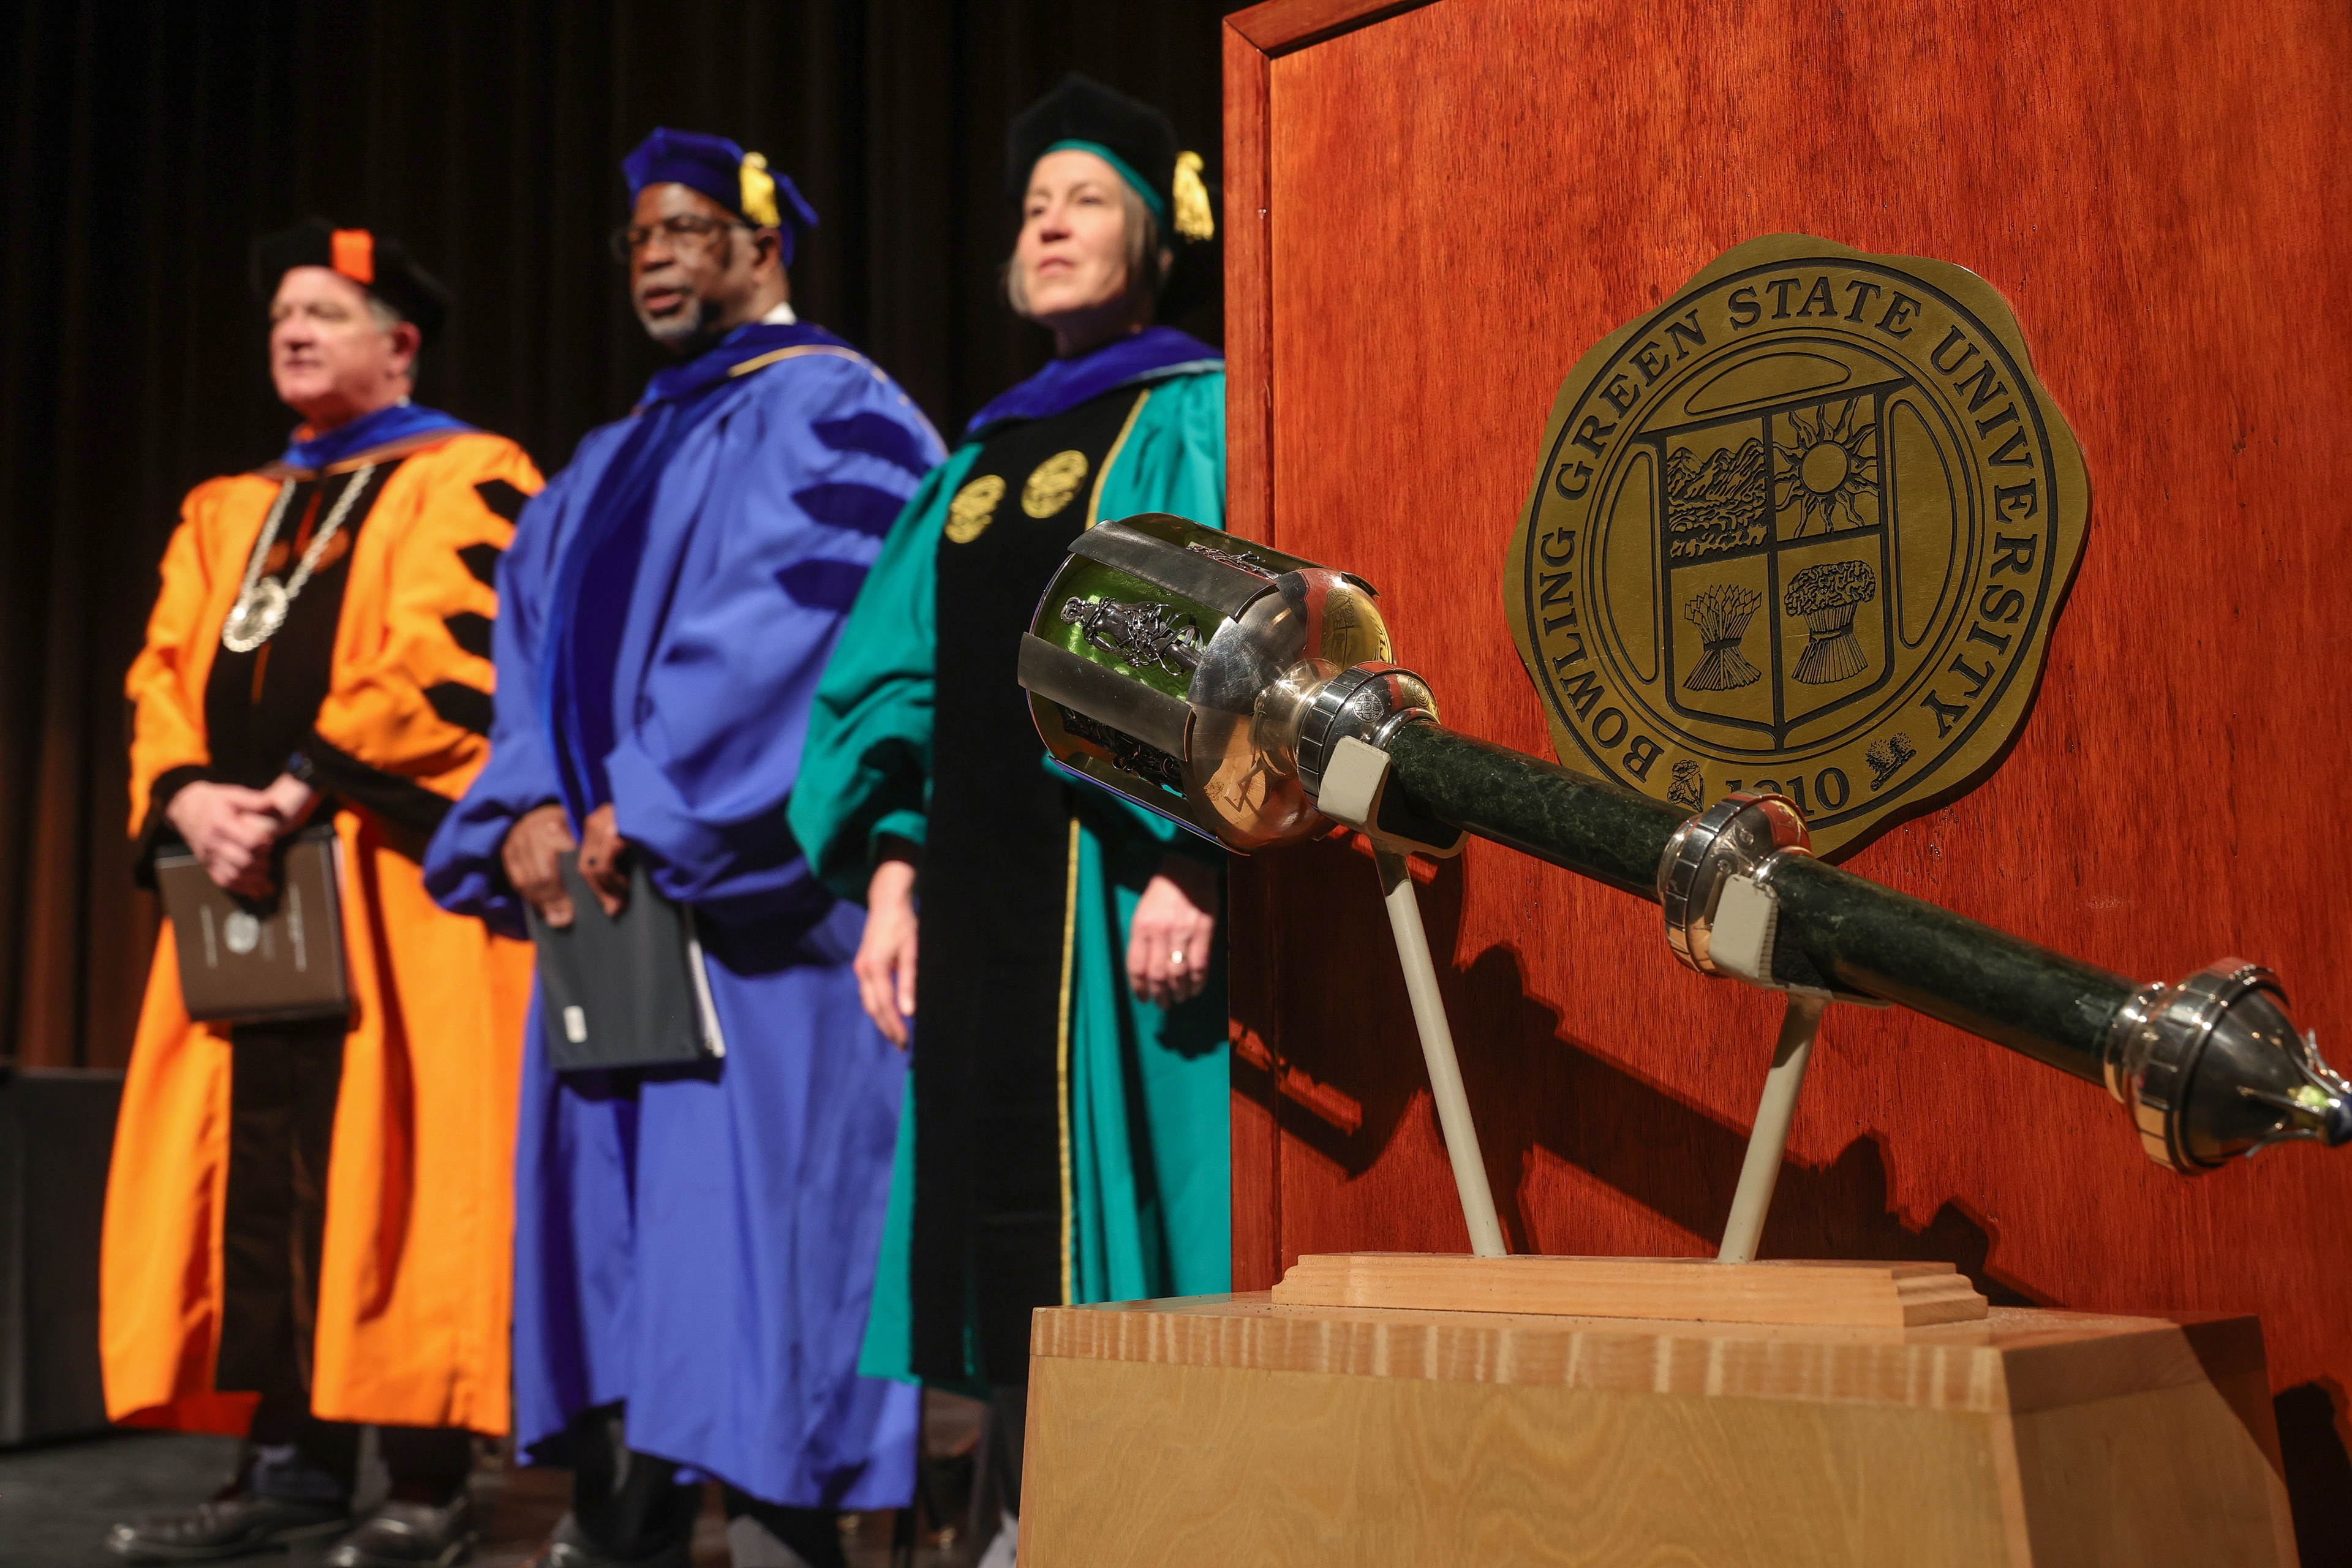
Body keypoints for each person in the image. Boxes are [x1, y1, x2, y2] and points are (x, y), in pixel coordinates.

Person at [422, 129, 940, 1568]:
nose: (654, 253)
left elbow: (797, 624)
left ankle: (787, 1529)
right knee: (616, 1241)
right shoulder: (605, 453)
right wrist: (527, 803)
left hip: (759, 923)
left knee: (760, 1248)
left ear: (765, 247)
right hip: (602, 919)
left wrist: (651, 798)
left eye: (689, 228)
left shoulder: (840, 408)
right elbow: (523, 652)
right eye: (638, 234)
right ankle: (625, 1510)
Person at [790, 74, 1229, 1567]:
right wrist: (896, 878)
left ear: (1155, 243)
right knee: (1003, 1254)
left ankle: (1139, 1531)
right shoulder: (977, 459)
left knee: (1131, 1239)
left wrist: (1190, 859)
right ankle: (1025, 1527)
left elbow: (1223, 664)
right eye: (1035, 205)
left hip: (1117, 904)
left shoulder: (1187, 414)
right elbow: (895, 679)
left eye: (1086, 199)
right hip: (979, 908)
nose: (1048, 222)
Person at [103, 221, 541, 1566]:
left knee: (398, 1165)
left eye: (326, 311)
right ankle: (287, 1464)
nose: (293, 329)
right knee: (257, 1177)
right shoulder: (223, 508)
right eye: (284, 311)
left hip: (391, 884)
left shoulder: (469, 472)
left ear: (398, 340)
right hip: (238, 888)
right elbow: (165, 669)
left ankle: (426, 1475)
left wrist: (293, 790)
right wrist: (189, 796)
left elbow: (438, 662)